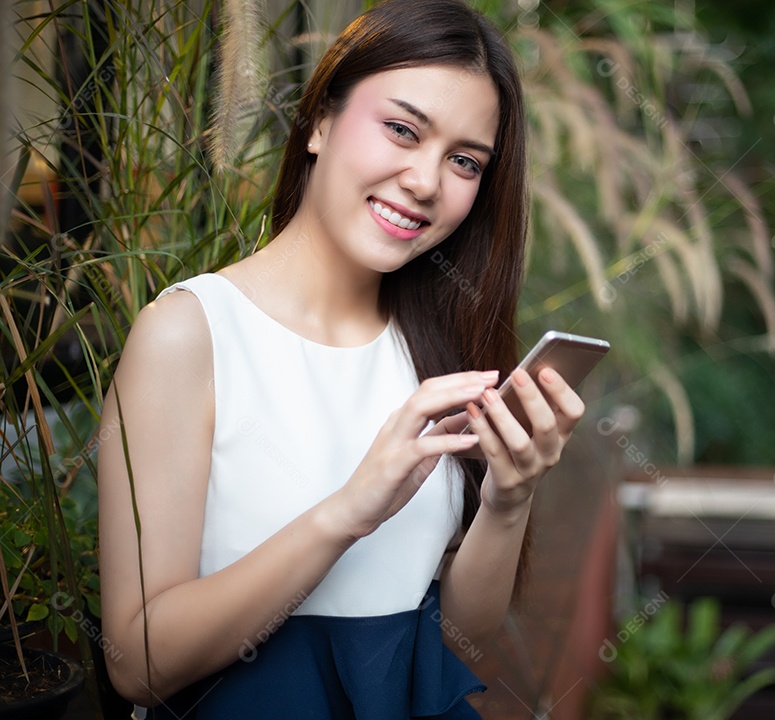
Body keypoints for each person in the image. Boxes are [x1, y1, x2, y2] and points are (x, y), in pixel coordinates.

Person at [97, 1, 585, 717]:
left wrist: (511, 499)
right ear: (321, 121)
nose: (425, 181)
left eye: (464, 161)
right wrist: (348, 513)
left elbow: (458, 641)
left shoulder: (437, 349)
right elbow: (138, 666)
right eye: (401, 129)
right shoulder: (189, 333)